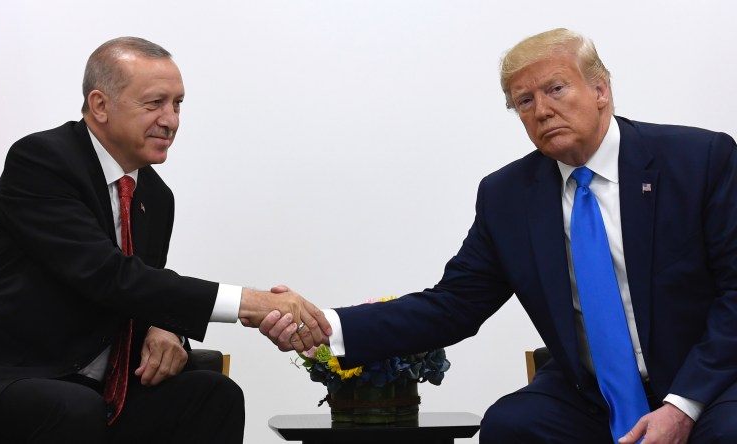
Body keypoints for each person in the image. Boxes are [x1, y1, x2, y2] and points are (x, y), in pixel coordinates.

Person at [260, 28, 737, 443]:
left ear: (600, 90)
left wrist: (681, 405)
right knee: (512, 425)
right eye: (524, 101)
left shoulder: (698, 161)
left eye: (555, 89)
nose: (542, 110)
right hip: (593, 394)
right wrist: (327, 325)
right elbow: (453, 305)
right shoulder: (508, 195)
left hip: (708, 383)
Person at [0, 37, 330, 444]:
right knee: (72, 407)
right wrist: (251, 302)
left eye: (177, 104)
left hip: (100, 387)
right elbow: (106, 275)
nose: (170, 120)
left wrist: (168, 327)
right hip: (11, 374)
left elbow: (142, 289)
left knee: (214, 396)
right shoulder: (42, 160)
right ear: (101, 105)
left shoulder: (156, 197)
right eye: (154, 103)